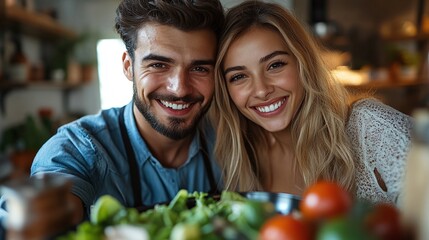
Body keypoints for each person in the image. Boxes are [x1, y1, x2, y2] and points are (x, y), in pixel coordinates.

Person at [1, 0, 225, 225]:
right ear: (128, 66)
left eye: (199, 69)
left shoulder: (232, 141)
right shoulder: (80, 147)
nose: (180, 88)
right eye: (158, 65)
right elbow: (37, 214)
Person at [211, 0, 413, 205]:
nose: (262, 90)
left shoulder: (370, 128)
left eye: (275, 65)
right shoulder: (240, 154)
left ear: (303, 62)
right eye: (238, 77)